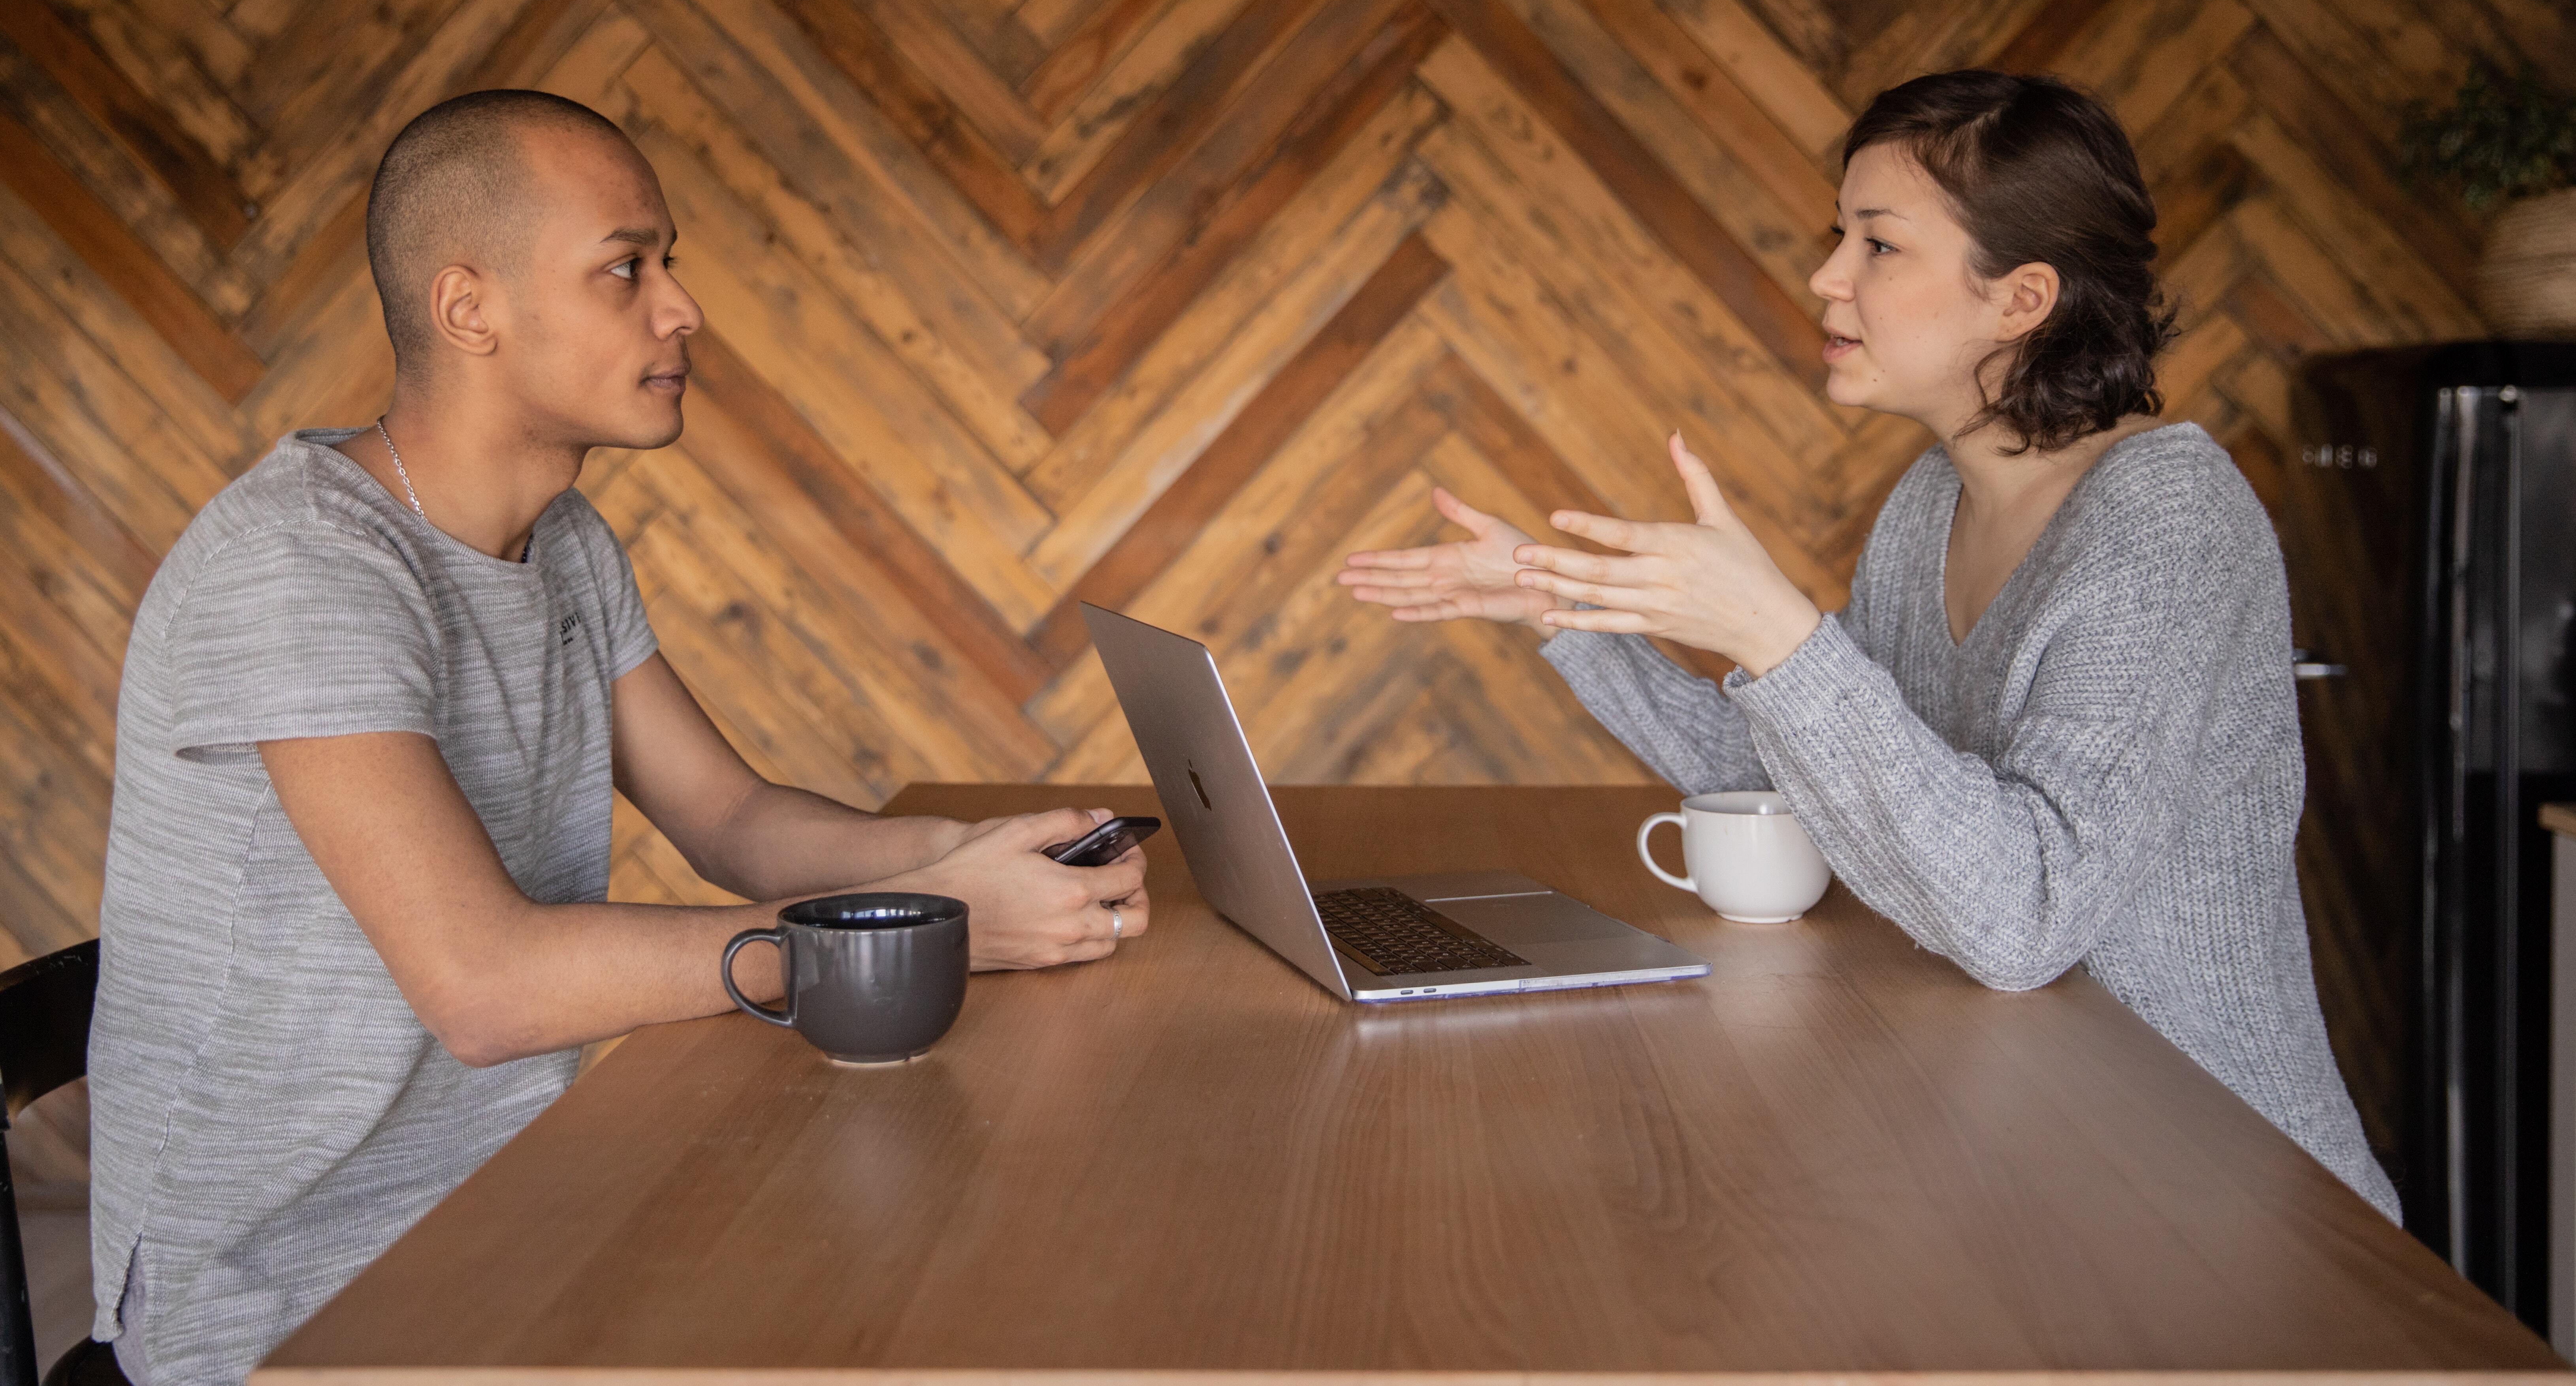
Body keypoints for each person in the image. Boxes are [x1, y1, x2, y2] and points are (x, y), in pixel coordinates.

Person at [85, 90, 1151, 1386]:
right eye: (626, 268)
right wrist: (923, 925)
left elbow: (733, 820)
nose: (681, 309)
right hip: (294, 1303)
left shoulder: (568, 544)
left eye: (669, 265)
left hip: (516, 1216)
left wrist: (972, 850)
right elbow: (488, 988)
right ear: (468, 308)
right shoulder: (301, 566)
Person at [1341, 69, 2399, 1221]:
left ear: (2022, 297)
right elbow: (1805, 784)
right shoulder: (1927, 505)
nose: (1825, 276)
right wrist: (1558, 608)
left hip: (2224, 1205)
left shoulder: (2169, 525)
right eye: (1836, 235)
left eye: (1878, 246)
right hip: (2033, 1155)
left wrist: (1777, 634)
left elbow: (2023, 919)